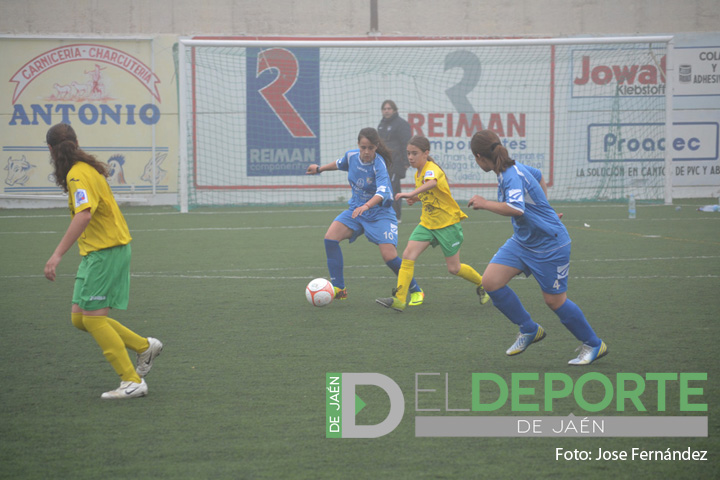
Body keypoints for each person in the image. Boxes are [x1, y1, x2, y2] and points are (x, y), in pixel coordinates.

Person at [467, 130, 607, 365]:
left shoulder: (510, 174)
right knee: (490, 282)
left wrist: (485, 203)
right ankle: (529, 328)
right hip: (523, 241)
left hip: (550, 244)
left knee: (554, 301)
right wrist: (545, 209)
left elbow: (516, 208)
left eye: (475, 158)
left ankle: (593, 344)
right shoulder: (510, 169)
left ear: (480, 156)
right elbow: (539, 176)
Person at [43, 123, 163, 399]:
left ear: (51, 150)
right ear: (75, 142)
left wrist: (57, 254)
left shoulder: (77, 175)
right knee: (79, 318)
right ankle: (144, 346)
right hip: (97, 252)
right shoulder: (84, 169)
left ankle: (132, 381)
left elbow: (83, 214)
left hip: (106, 251)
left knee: (95, 320)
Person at [306, 127, 423, 304]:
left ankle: (416, 290)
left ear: (376, 147)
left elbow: (383, 192)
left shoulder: (379, 165)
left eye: (370, 148)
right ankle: (339, 288)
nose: (366, 152)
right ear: (358, 146)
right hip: (357, 210)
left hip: (380, 214)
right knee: (330, 238)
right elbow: (339, 164)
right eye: (363, 147)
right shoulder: (351, 156)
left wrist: (367, 205)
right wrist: (319, 169)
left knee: (389, 256)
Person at [376, 135, 490, 311]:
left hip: (447, 225)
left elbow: (432, 183)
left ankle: (483, 284)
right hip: (428, 224)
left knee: (454, 268)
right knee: (407, 255)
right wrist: (416, 198)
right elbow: (430, 194)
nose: (411, 157)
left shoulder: (431, 168)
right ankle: (399, 299)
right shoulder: (417, 173)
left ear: (426, 153)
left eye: (415, 153)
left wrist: (410, 194)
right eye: (408, 153)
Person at [377, 100, 412, 222]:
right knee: (384, 187)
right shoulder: (381, 124)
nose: (386, 111)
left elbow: (406, 144)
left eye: (389, 108)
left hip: (396, 162)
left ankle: (395, 216)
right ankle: (386, 214)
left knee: (393, 188)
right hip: (383, 162)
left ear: (394, 110)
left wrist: (406, 161)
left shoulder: (401, 124)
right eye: (384, 108)